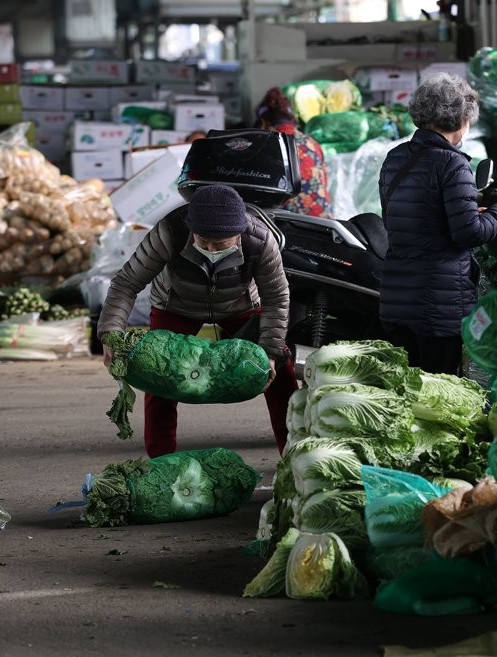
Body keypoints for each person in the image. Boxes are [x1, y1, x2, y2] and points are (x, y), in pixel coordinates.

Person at [97, 184, 298, 458]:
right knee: (160, 378)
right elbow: (126, 283)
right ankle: (162, 463)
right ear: (191, 229)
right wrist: (111, 333)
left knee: (280, 372)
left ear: (238, 234)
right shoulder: (169, 232)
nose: (211, 249)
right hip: (176, 305)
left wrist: (272, 353)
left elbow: (276, 296)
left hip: (239, 304)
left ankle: (292, 455)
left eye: (221, 244)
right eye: (203, 241)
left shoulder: (261, 241)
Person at [378, 72, 497, 375]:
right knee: (436, 397)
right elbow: (469, 234)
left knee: (406, 391)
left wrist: (473, 210)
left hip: (397, 298)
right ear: (462, 118)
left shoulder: (396, 158)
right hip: (438, 303)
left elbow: (414, 217)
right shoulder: (452, 162)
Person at [255, 86, 334, 218]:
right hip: (323, 222)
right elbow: (324, 183)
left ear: (263, 122)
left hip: (285, 224)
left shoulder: (264, 144)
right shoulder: (312, 143)